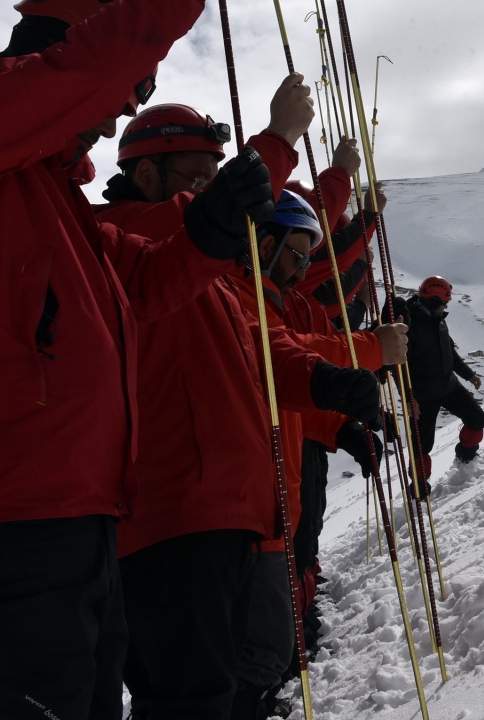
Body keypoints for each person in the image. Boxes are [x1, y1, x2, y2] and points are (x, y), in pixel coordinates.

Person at [0, 0, 284, 720]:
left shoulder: (55, 206)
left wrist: (212, 234)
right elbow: (67, 82)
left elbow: (145, 279)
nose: (107, 126)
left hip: (73, 524)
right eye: (116, 99)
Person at [95, 92, 376, 719]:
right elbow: (201, 225)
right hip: (170, 512)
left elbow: (260, 344)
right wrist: (277, 142)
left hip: (235, 507)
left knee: (243, 672)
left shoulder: (208, 273)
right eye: (198, 180)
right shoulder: (117, 238)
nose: (210, 197)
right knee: (191, 696)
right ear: (148, 176)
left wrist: (329, 389)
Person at [232, 192, 405, 720]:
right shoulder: (239, 297)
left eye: (309, 256)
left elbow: (296, 386)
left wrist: (344, 429)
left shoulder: (287, 300)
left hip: (280, 478)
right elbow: (283, 360)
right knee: (228, 656)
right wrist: (370, 349)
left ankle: (284, 661)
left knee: (273, 613)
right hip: (242, 491)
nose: (304, 266)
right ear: (263, 244)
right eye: (297, 253)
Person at [401, 276, 484, 496]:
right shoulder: (409, 327)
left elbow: (450, 353)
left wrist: (469, 375)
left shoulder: (439, 321)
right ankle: (418, 486)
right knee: (421, 447)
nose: (446, 308)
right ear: (431, 302)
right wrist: (409, 398)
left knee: (477, 420)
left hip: (449, 386)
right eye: (443, 304)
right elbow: (398, 367)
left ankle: (465, 456)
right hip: (422, 396)